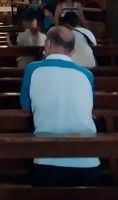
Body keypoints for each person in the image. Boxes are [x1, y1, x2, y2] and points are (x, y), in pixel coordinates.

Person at [20, 26, 101, 187]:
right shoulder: (87, 75)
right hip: (87, 160)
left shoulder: (32, 70)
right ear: (73, 51)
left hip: (47, 160)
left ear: (47, 44)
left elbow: (25, 108)